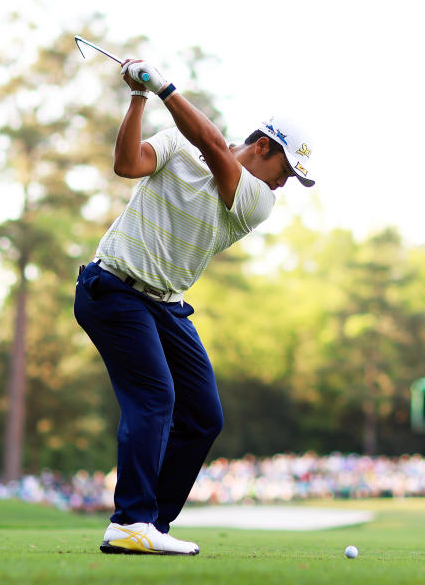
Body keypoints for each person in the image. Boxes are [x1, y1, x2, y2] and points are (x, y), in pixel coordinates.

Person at [74, 56, 316, 556]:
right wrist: (139, 98)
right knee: (156, 399)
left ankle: (151, 523)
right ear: (263, 147)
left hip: (164, 305)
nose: (283, 184)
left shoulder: (256, 200)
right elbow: (127, 164)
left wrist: (162, 87)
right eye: (286, 171)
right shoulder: (176, 145)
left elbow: (211, 146)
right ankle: (130, 522)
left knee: (204, 415)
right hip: (113, 289)